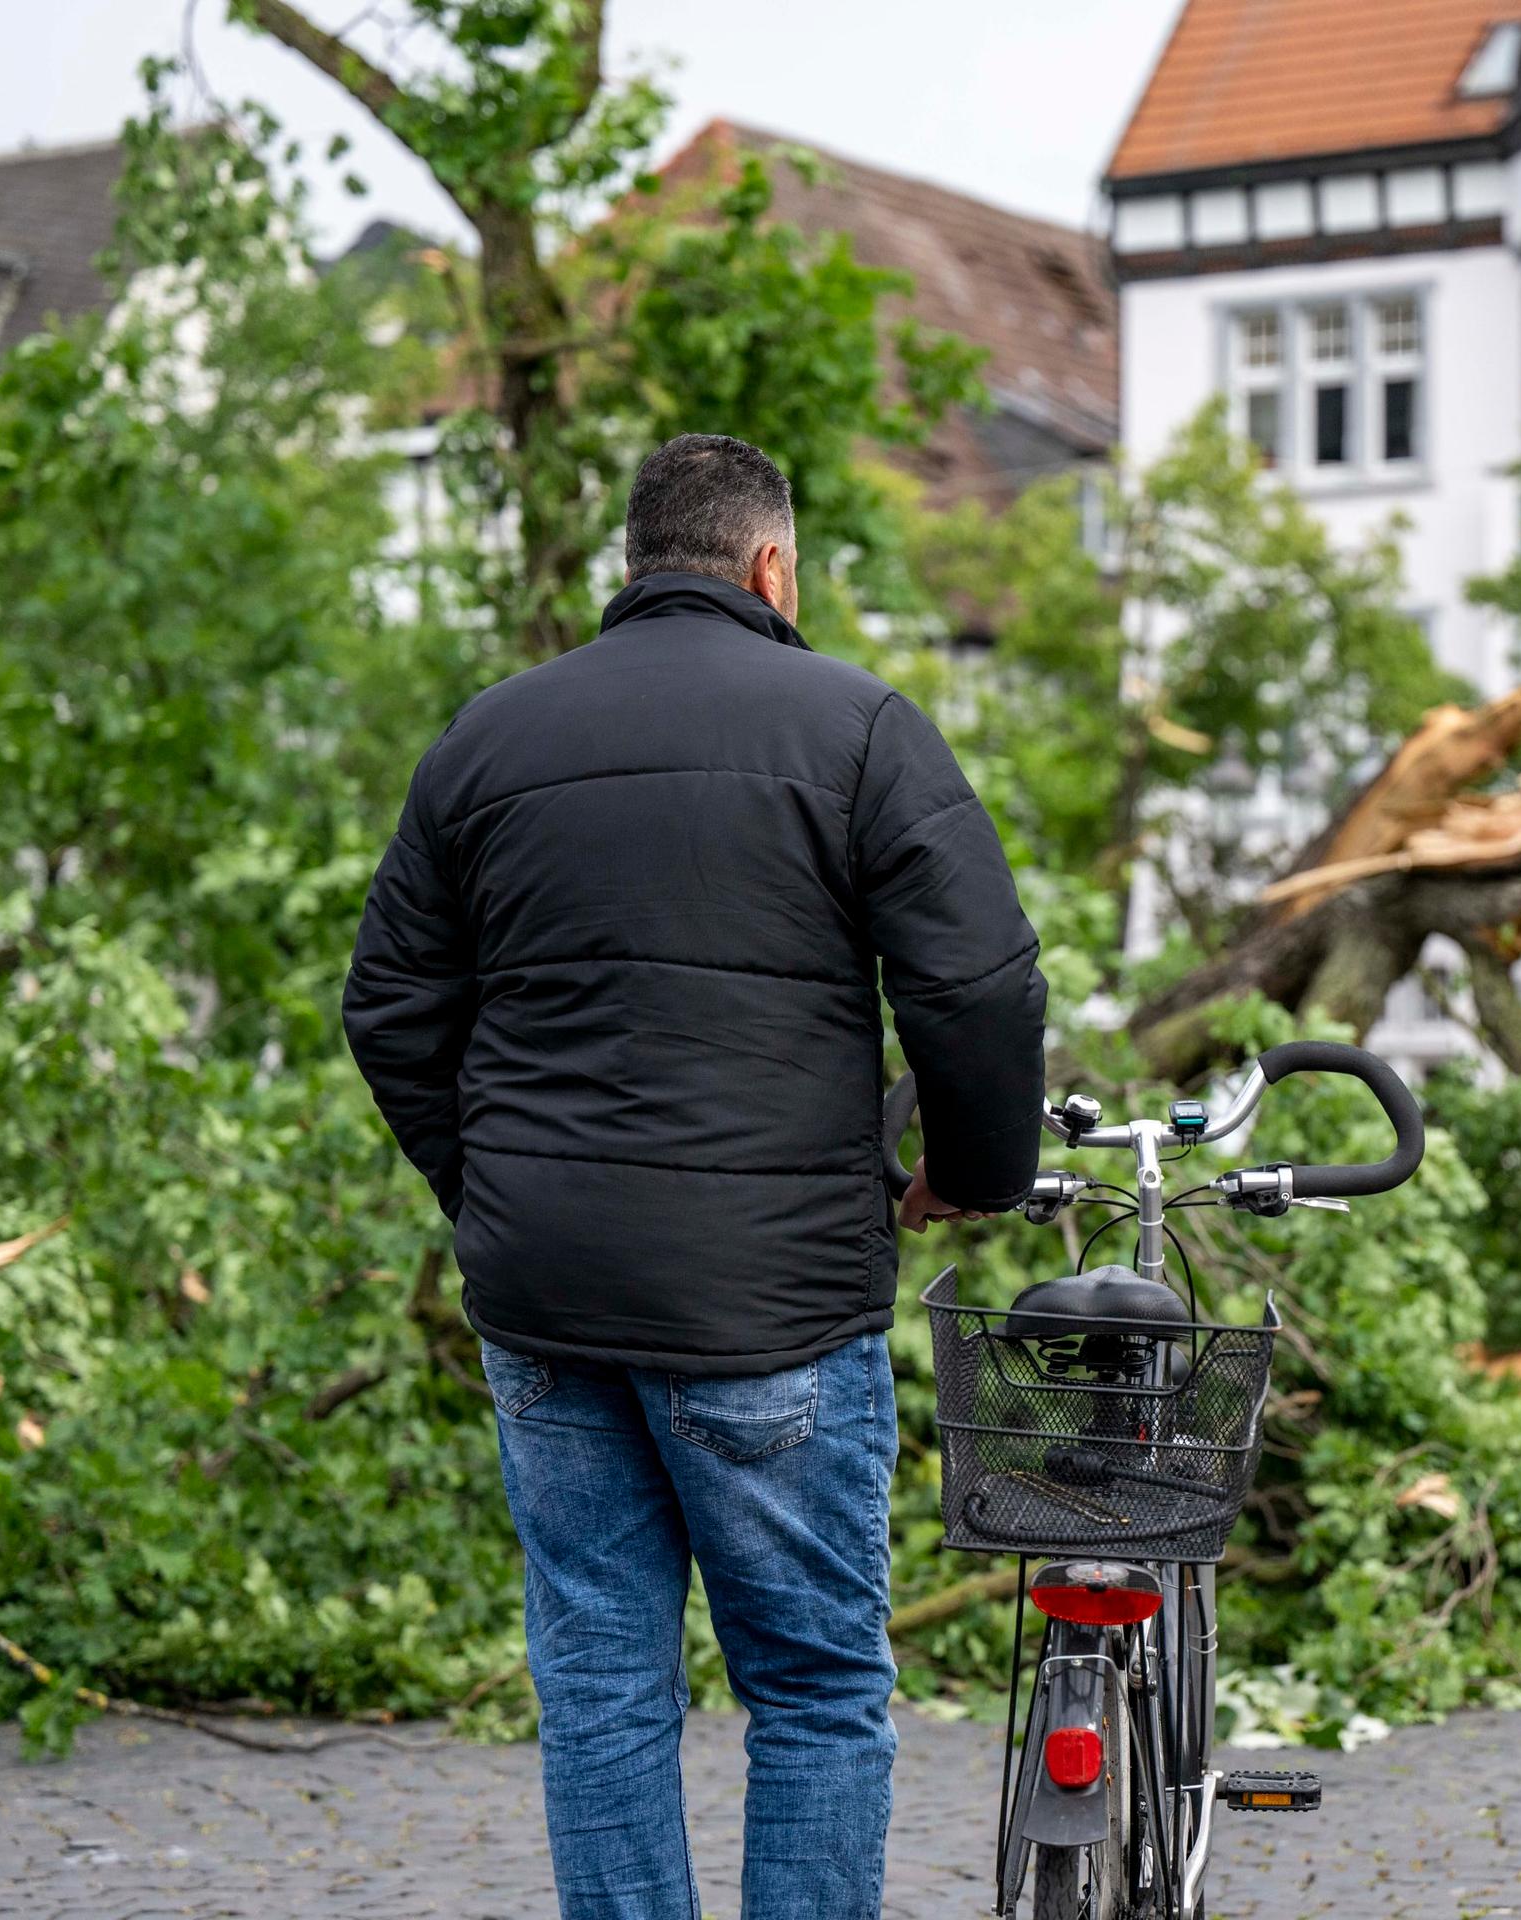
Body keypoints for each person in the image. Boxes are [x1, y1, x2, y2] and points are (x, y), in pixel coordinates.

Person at [342, 432, 1047, 1920]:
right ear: (771, 566)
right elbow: (978, 988)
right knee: (811, 1686)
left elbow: (390, 1008)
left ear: (633, 563)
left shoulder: (489, 737)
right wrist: (970, 1174)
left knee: (600, 1687)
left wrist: (497, 1194)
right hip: (770, 1308)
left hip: (547, 1304)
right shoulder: (857, 729)